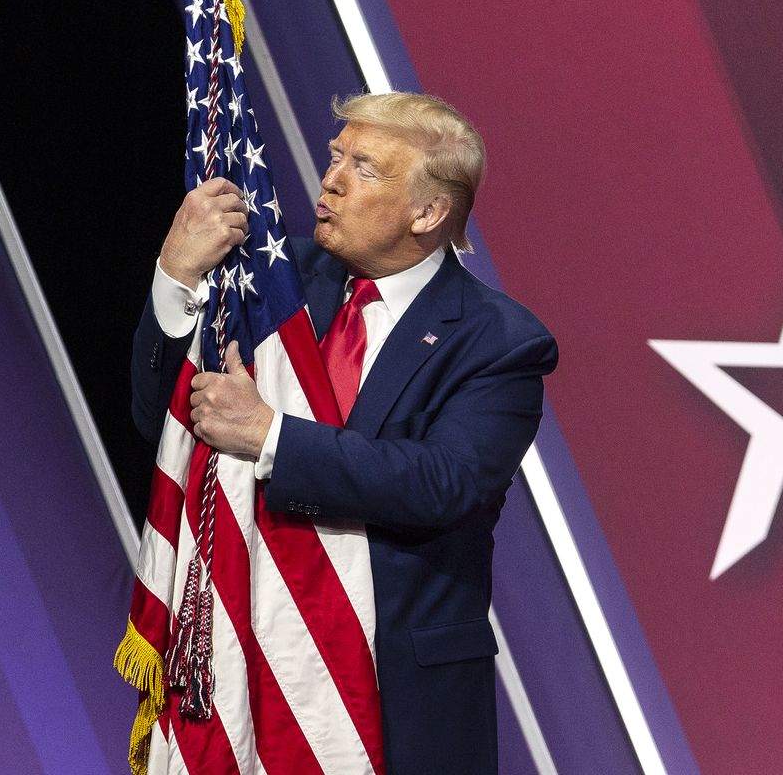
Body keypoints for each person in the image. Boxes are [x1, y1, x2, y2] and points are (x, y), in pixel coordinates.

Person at [130, 91, 557, 775]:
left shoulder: (499, 342)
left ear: (428, 212)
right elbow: (165, 425)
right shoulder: (275, 282)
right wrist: (175, 276)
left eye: (364, 166)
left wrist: (272, 436)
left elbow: (442, 484)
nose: (331, 179)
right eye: (336, 156)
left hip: (396, 701)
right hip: (243, 669)